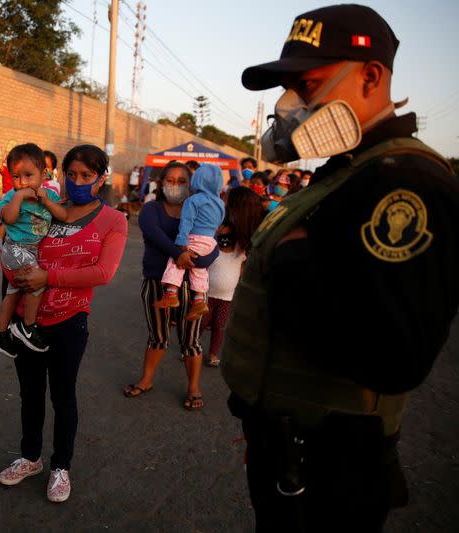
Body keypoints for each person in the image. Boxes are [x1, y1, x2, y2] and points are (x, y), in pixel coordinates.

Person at [222, 5, 459, 532]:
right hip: (292, 448)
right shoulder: (348, 172)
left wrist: (292, 255)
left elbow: (399, 354)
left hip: (332, 468)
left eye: (306, 86)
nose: (290, 107)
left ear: (371, 76)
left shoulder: (403, 181)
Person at [0, 144, 127, 503]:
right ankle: (30, 457)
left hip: (69, 321)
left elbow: (102, 272)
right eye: (72, 174)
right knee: (30, 394)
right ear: (61, 175)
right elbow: (15, 253)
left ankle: (60, 466)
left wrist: (47, 277)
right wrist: (6, 306)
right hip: (28, 321)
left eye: (87, 176)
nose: (78, 181)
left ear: (101, 179)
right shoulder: (44, 208)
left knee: (63, 396)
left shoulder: (114, 220)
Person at [123, 161, 219, 410]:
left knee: (192, 340)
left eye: (182, 181)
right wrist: (180, 254)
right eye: (170, 180)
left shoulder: (201, 208)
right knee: (158, 336)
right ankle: (146, 380)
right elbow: (154, 235)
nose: (175, 185)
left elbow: (213, 242)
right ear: (161, 183)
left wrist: (205, 259)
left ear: (192, 184)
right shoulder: (151, 209)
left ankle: (194, 387)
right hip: (158, 281)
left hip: (193, 287)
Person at [0, 143, 67, 356]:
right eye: (16, 177)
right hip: (15, 249)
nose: (22, 182)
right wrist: (19, 197)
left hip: (30, 251)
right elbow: (8, 218)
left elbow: (63, 216)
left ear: (44, 174)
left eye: (29, 175)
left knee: (12, 292)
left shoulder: (48, 195)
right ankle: (27, 327)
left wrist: (47, 201)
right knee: (36, 285)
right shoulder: (11, 197)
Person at [153, 163, 225, 321]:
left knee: (176, 262)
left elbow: (186, 222)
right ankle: (199, 300)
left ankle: (171, 293)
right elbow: (219, 222)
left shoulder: (193, 200)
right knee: (199, 270)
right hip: (209, 242)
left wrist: (181, 243)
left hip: (194, 238)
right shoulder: (219, 202)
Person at [201, 187, 263, 367]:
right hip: (206, 289)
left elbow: (245, 267)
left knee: (219, 325)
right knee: (201, 322)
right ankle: (191, 347)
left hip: (227, 295)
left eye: (226, 199)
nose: (222, 202)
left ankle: (212, 353)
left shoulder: (247, 238)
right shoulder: (218, 225)